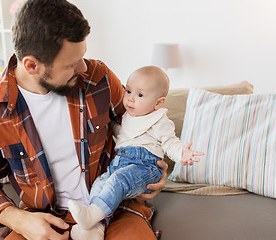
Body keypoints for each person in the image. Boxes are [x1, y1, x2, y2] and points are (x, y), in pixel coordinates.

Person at [0, 0, 167, 239]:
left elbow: (142, 124)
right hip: (42, 216)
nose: (83, 67)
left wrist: (157, 171)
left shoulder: (97, 77)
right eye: (71, 64)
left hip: (116, 207)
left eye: (82, 56)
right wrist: (19, 219)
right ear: (32, 65)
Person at [68, 66, 205, 238]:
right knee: (101, 184)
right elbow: (121, 133)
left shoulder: (160, 120)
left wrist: (181, 153)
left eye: (139, 95)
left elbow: (170, 142)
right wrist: (105, 124)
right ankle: (95, 228)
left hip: (145, 166)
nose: (131, 99)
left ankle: (91, 217)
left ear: (158, 103)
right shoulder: (127, 116)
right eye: (128, 91)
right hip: (119, 164)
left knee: (119, 180)